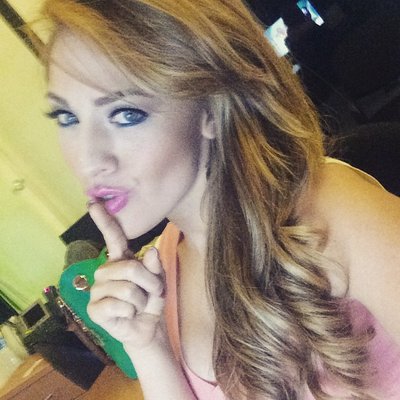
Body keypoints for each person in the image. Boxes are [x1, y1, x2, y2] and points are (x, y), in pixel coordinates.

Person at [38, 0, 400, 399]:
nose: (88, 160)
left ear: (210, 109)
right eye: (67, 118)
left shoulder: (329, 209)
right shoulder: (163, 270)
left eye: (126, 114)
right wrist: (146, 345)